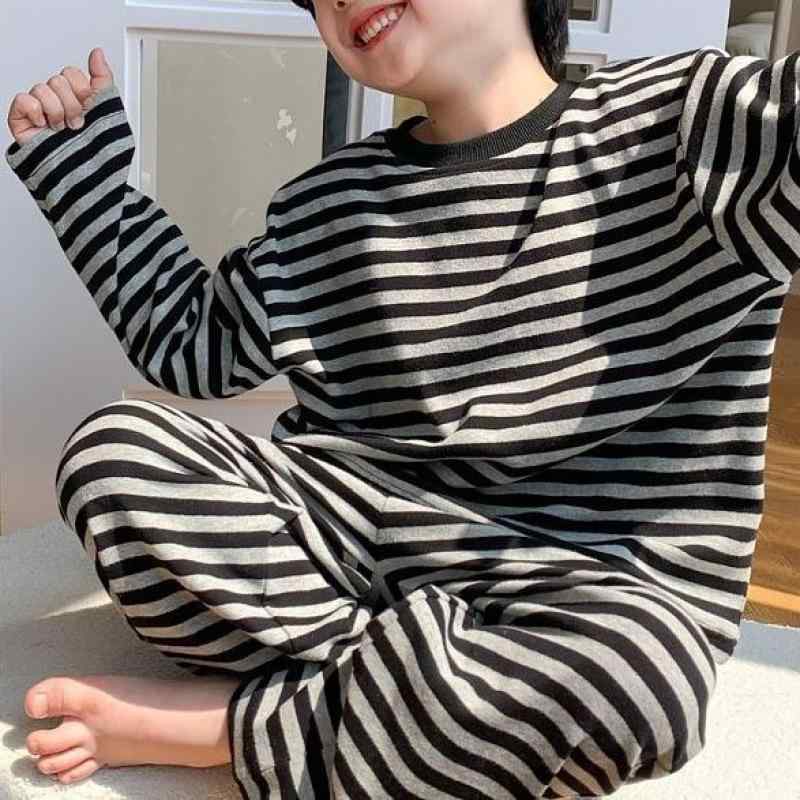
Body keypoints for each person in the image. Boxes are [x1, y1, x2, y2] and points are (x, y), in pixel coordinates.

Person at [4, 0, 799, 796]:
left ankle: (237, 727)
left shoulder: (686, 126)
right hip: (349, 544)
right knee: (115, 456)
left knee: (640, 679)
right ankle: (420, 713)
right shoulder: (326, 203)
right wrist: (85, 179)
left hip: (576, 584)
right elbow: (193, 344)